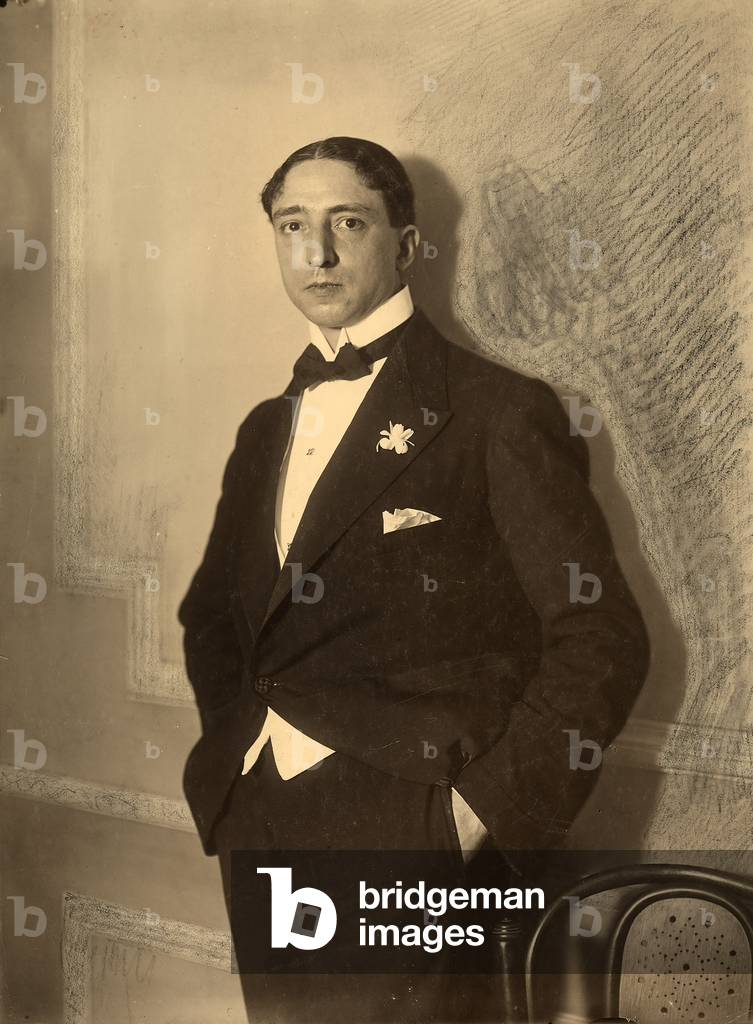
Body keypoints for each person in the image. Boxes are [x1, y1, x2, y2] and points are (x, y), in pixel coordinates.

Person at [178, 136, 650, 1022]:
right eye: (292, 226)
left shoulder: (497, 410)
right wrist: (245, 760)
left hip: (415, 825)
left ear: (405, 244)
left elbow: (601, 635)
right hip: (263, 815)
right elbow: (211, 618)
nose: (317, 254)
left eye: (347, 223)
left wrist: (480, 812)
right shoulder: (263, 428)